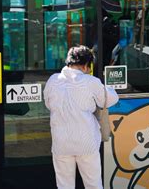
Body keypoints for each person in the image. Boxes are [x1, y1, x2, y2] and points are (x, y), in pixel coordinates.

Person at [44, 45, 119, 189]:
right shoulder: (90, 82)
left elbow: (48, 104)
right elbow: (110, 100)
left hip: (61, 143)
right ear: (85, 65)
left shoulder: (53, 80)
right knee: (93, 185)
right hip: (87, 143)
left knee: (64, 185)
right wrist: (107, 87)